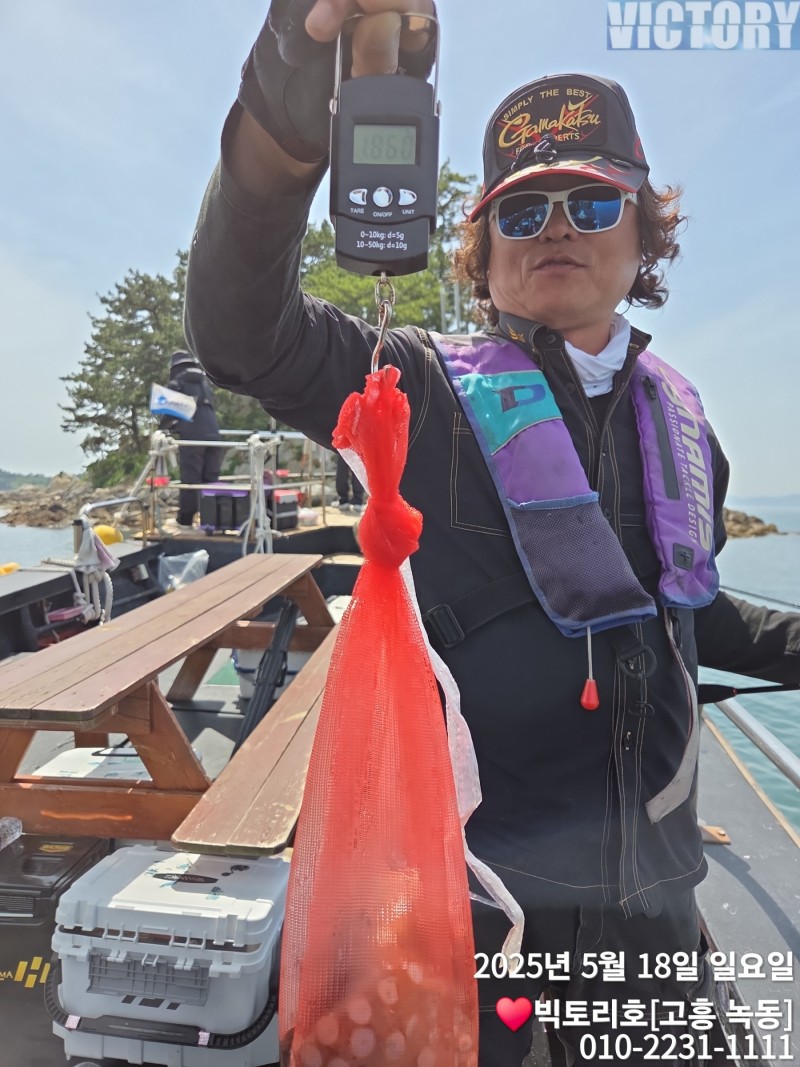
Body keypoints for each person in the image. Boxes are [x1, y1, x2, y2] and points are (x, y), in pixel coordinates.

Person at [184, 4, 800, 1063]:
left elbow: (684, 614)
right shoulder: (420, 387)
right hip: (466, 912)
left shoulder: (685, 425)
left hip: (656, 918)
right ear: (481, 250)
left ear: (644, 232)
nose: (555, 226)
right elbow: (243, 334)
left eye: (591, 201)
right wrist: (278, 141)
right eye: (520, 211)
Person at [160, 349, 223, 527]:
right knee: (210, 479)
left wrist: (163, 428)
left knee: (190, 480)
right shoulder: (205, 384)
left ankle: (185, 520)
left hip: (193, 439)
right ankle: (211, 519)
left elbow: (167, 414)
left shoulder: (178, 383)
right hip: (214, 437)